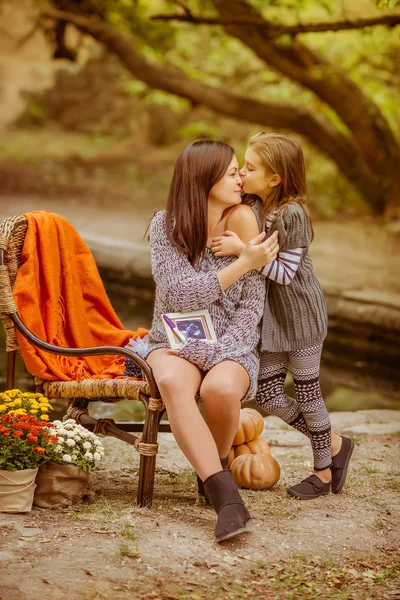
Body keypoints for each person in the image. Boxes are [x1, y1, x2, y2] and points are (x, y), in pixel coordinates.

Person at [145, 140, 279, 542]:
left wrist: (217, 353)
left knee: (220, 387)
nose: (241, 179)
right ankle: (226, 497)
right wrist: (243, 263)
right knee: (171, 382)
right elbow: (181, 294)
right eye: (232, 173)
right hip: (171, 337)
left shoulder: (246, 222)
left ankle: (214, 465)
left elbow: (252, 308)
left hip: (233, 346)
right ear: (204, 179)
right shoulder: (164, 226)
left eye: (241, 171)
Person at [211, 132, 354, 500]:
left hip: (302, 318)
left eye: (250, 167)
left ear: (275, 178)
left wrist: (243, 250)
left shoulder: (293, 214)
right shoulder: (258, 207)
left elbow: (285, 273)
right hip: (274, 321)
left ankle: (322, 472)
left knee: (308, 394)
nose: (242, 173)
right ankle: (335, 443)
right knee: (270, 394)